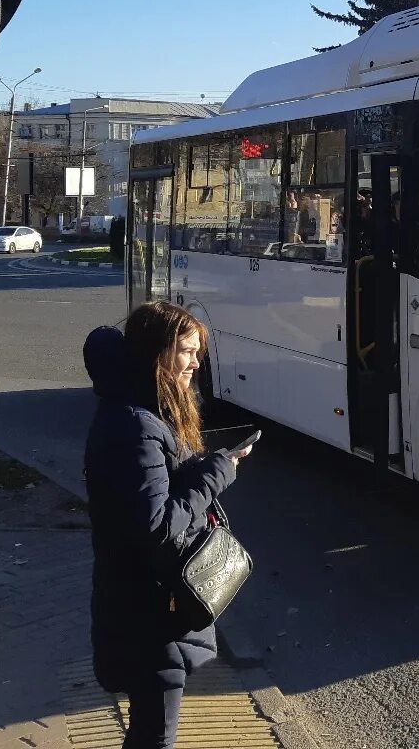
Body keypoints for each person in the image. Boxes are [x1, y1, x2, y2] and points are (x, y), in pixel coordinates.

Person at [83, 303, 255, 749]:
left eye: (198, 352)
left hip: (150, 604)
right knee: (155, 737)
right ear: (154, 353)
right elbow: (156, 525)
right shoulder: (135, 426)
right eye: (186, 351)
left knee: (150, 733)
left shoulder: (144, 411)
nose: (197, 363)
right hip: (149, 611)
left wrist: (205, 465)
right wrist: (216, 473)